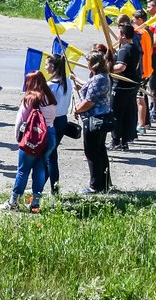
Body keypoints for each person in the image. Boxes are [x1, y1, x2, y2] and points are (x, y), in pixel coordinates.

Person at [0, 73, 57, 213]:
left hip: (33, 137)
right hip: (49, 135)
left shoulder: (30, 98)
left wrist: (18, 138)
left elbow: (20, 120)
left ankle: (13, 202)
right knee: (40, 169)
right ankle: (35, 204)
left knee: (23, 170)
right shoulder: (50, 97)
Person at [73, 52, 113, 193]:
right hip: (101, 117)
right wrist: (77, 82)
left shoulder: (98, 79)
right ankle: (105, 183)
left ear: (93, 64)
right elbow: (91, 90)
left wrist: (77, 109)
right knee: (100, 150)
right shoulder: (102, 76)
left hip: (94, 119)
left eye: (88, 61)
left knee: (92, 152)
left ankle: (95, 186)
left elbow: (89, 102)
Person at [109, 22, 141, 152]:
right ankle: (125, 141)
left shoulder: (125, 49)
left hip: (121, 86)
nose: (117, 36)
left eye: (118, 33)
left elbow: (121, 67)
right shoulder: (134, 47)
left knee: (116, 114)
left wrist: (107, 69)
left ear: (123, 35)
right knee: (128, 114)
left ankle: (116, 140)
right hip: (131, 86)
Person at [45, 54, 71, 195]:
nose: (45, 67)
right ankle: (44, 185)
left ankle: (54, 190)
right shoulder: (67, 81)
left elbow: (46, 105)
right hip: (63, 120)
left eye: (47, 64)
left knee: (51, 157)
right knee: (51, 154)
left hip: (52, 122)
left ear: (53, 66)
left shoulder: (51, 86)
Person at [132, 10, 153, 135]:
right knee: (142, 97)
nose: (133, 22)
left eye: (134, 20)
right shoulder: (147, 32)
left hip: (141, 70)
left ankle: (141, 125)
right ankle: (145, 122)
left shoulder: (139, 33)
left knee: (139, 98)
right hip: (147, 69)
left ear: (140, 20)